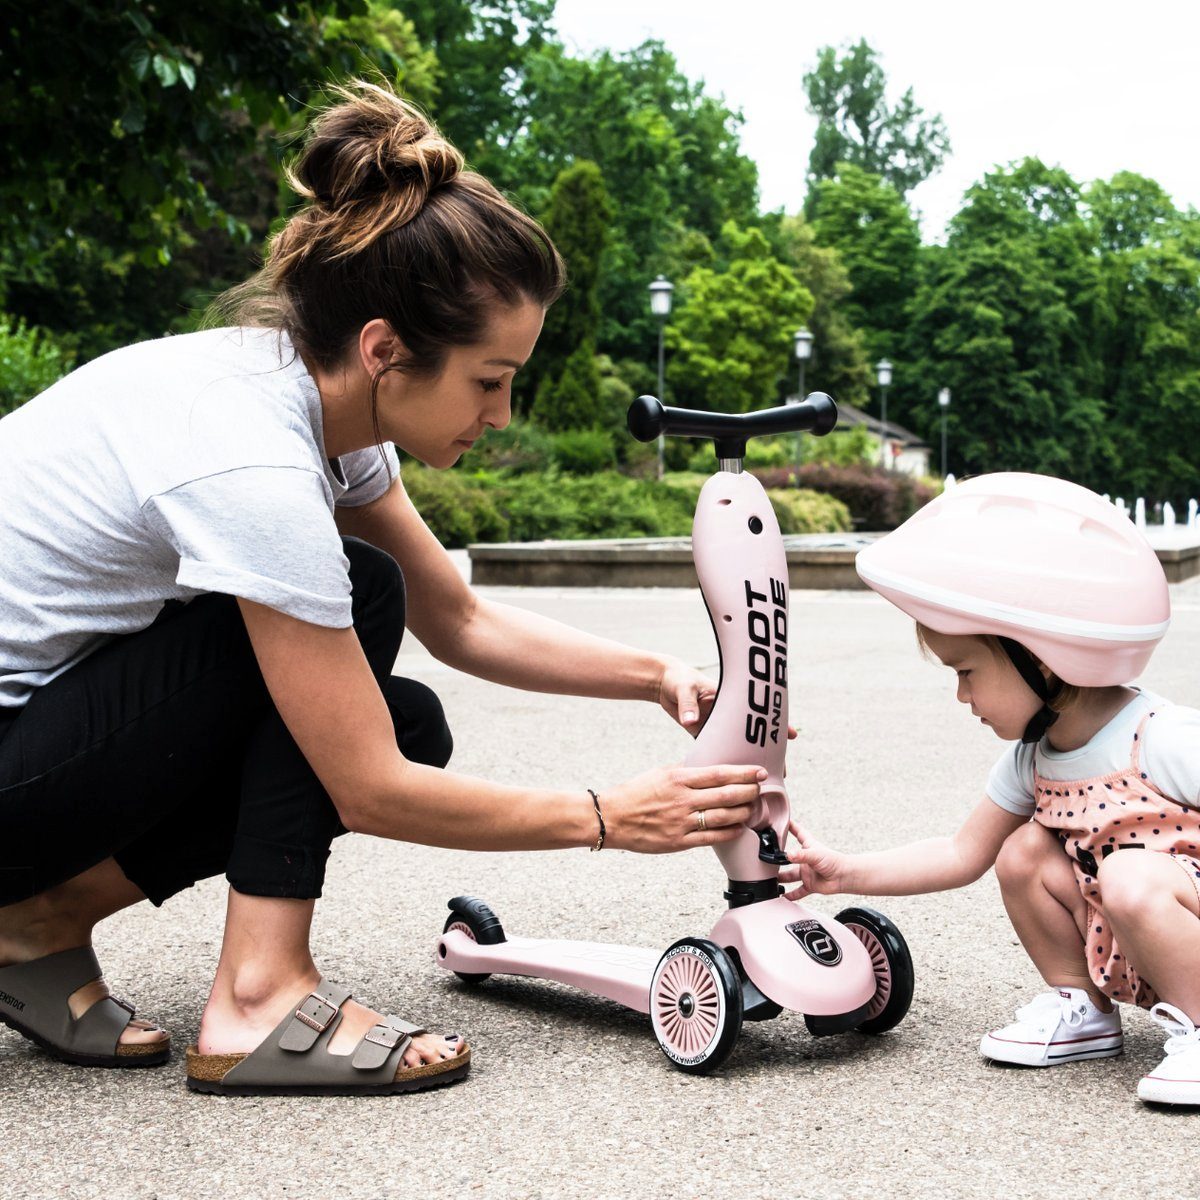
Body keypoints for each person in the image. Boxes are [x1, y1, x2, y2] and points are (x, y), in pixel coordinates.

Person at [0, 81, 768, 1097]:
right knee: (357, 604)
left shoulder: (314, 403)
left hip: (32, 755)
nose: (500, 415)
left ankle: (33, 924)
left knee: (401, 712)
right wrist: (605, 816)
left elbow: (459, 616)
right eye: (489, 380)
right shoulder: (250, 463)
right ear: (385, 350)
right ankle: (258, 995)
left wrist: (659, 676)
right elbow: (363, 786)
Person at [780, 472, 1200, 1107]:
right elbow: (960, 854)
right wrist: (843, 873)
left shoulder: (1160, 737)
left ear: (1045, 656)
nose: (962, 695)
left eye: (967, 671)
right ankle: (1082, 1009)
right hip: (1128, 929)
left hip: (1167, 906)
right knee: (1023, 853)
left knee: (1131, 876)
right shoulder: (1034, 759)